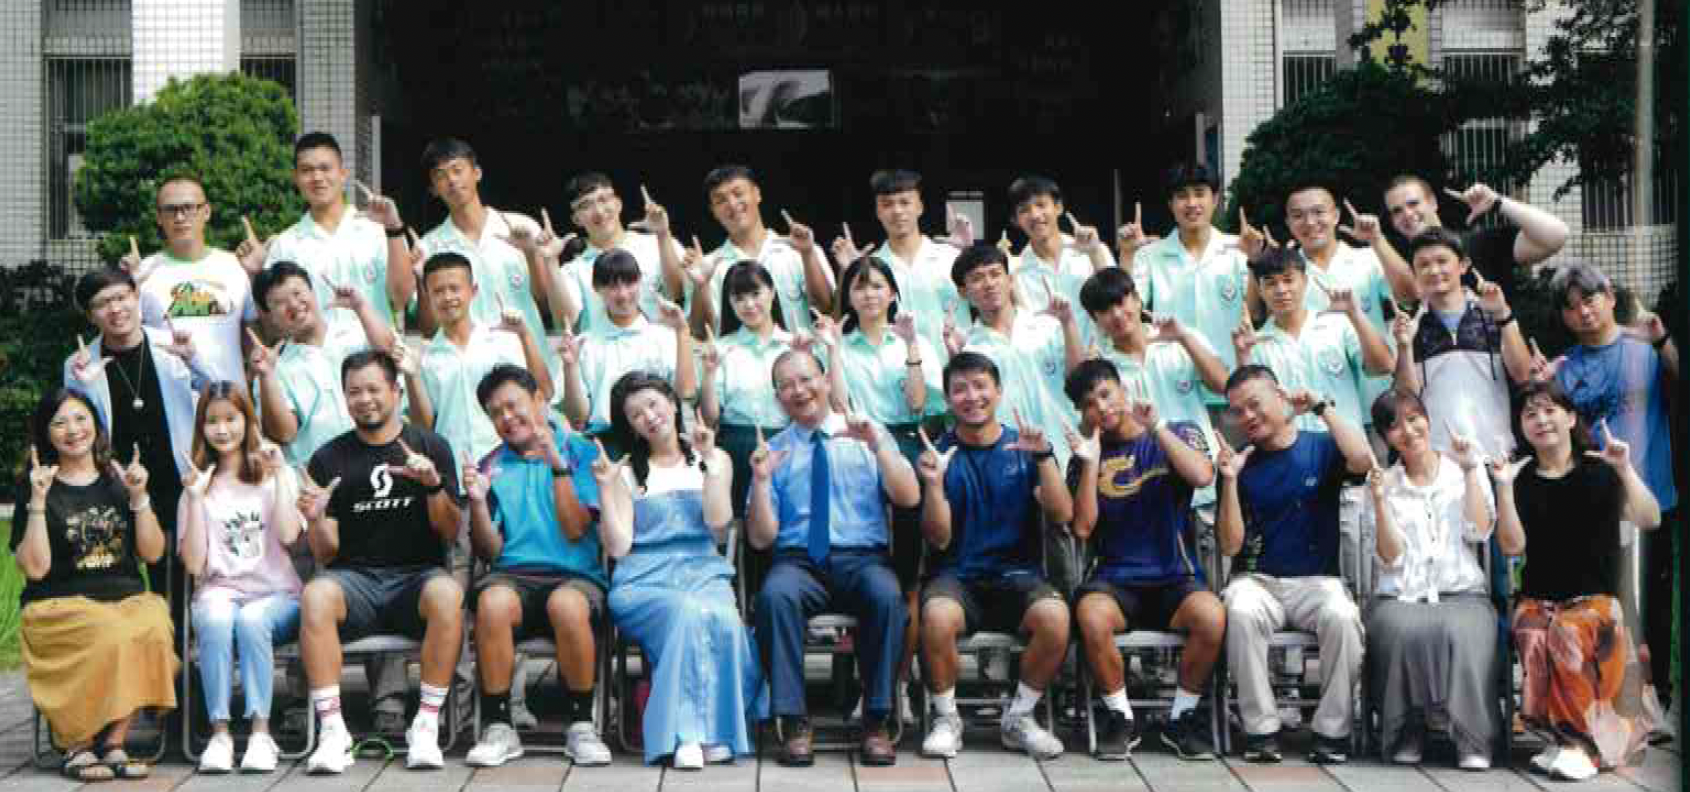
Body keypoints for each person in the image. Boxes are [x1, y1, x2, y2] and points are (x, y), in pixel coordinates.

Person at [296, 350, 465, 774]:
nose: (364, 399)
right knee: (315, 595)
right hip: (356, 581)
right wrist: (315, 519)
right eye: (354, 392)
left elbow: (449, 532)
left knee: (448, 593)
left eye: (373, 389)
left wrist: (432, 485)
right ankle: (333, 731)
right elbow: (325, 553)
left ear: (396, 391)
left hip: (416, 579)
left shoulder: (430, 446)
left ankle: (425, 725)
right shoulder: (329, 458)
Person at [748, 350, 919, 767]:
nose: (799, 390)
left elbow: (908, 497)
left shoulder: (867, 433)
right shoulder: (774, 450)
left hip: (863, 558)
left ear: (826, 380)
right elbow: (760, 538)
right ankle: (794, 720)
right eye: (786, 385)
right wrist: (761, 480)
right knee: (774, 597)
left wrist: (879, 447)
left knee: (887, 597)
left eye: (806, 379)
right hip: (799, 562)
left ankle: (876, 719)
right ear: (777, 397)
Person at [1495, 379, 1660, 780]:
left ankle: (1582, 746)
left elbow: (1650, 518)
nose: (1541, 419)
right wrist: (1504, 490)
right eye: (1530, 414)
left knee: (1567, 630)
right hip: (1541, 597)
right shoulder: (1521, 478)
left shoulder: (1600, 471)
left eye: (1549, 410)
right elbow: (1512, 547)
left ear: (1570, 418)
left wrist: (1624, 468)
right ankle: (1563, 736)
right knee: (1531, 628)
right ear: (1521, 427)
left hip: (1599, 599)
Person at [602, 371, 767, 769]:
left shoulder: (716, 458)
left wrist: (709, 463)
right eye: (636, 414)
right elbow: (619, 547)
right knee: (685, 613)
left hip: (703, 570)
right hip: (642, 579)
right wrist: (606, 490)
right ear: (631, 426)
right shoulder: (624, 472)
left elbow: (718, 523)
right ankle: (685, 735)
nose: (649, 417)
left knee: (724, 620)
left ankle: (713, 734)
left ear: (673, 404)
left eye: (654, 404)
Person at [1063, 358, 1224, 761]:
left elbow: (1203, 476)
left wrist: (1157, 428)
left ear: (1124, 389)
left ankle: (1181, 718)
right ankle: (1120, 717)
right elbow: (1082, 527)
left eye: (1106, 394)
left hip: (1175, 577)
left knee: (1211, 617)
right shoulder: (1083, 457)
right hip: (1115, 581)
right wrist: (1090, 461)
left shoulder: (1177, 432)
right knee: (1091, 616)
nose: (1101, 407)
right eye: (1089, 404)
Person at [13, 388, 177, 782]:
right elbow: (35, 567)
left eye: (80, 418)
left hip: (125, 599)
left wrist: (139, 497)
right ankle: (78, 744)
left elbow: (153, 553)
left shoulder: (119, 480)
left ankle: (115, 743)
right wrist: (38, 501)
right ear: (46, 433)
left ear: (96, 426)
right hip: (58, 605)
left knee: (155, 623)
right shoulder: (35, 486)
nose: (73, 430)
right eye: (60, 422)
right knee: (111, 631)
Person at [917, 352, 1074, 760]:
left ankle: (1019, 717)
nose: (972, 396)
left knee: (1056, 617)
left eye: (980, 386)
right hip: (957, 577)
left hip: (1018, 575)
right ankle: (946, 719)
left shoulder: (1025, 446)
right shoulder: (939, 454)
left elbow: (1062, 514)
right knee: (935, 616)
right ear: (948, 399)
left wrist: (1044, 457)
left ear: (999, 391)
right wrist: (933, 484)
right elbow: (938, 538)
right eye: (960, 389)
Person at [1215, 365, 1373, 765]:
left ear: (1280, 397)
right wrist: (1229, 481)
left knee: (1343, 617)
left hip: (1317, 581)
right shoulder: (1240, 463)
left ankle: (1332, 732)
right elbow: (1230, 544)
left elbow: (1363, 459)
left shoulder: (1321, 447)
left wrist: (1321, 407)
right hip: (1258, 580)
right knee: (1240, 610)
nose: (1248, 417)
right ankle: (1260, 730)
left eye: (1255, 404)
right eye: (1238, 411)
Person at [462, 365, 611, 768]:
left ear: (540, 400)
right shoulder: (491, 463)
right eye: (496, 413)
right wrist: (477, 502)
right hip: (513, 576)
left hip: (576, 577)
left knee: (567, 605)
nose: (507, 418)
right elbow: (491, 551)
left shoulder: (582, 452)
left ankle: (582, 725)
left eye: (513, 405)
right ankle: (498, 726)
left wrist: (557, 464)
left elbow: (576, 529)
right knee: (491, 602)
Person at [1547, 261, 1679, 712]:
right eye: (1572, 307)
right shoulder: (1565, 369)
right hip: (1599, 505)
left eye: (1590, 299)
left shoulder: (1646, 348)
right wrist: (1544, 387)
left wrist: (1662, 340)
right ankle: (1612, 698)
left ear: (1609, 297)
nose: (1583, 312)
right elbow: (1564, 434)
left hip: (1654, 495)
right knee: (1612, 601)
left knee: (1656, 603)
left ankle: (1658, 699)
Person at [823, 255, 943, 725]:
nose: (869, 294)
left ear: (892, 293)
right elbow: (838, 404)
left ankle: (898, 681)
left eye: (877, 285)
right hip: (854, 453)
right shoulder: (840, 344)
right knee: (868, 571)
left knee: (907, 578)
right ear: (848, 296)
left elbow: (917, 403)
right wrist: (833, 349)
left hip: (903, 452)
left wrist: (911, 344)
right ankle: (868, 683)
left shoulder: (915, 341)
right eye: (859, 286)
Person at [1234, 245, 1394, 587]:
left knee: (1358, 568)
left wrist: (1355, 314)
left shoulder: (1337, 325)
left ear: (1305, 281)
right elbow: (1247, 401)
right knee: (1302, 573)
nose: (1281, 290)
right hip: (1290, 471)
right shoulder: (1257, 342)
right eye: (1270, 283)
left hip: (1344, 461)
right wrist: (1243, 357)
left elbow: (1383, 365)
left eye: (1288, 280)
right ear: (1259, 289)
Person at [1359, 389, 1501, 771]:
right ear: (1386, 437)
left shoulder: (1463, 469)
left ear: (1427, 418)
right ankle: (1409, 730)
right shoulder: (1384, 483)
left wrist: (1471, 471)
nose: (1408, 431)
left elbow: (1479, 531)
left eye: (1414, 418)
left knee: (1461, 631)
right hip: (1401, 595)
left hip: (1461, 592)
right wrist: (1379, 501)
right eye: (1395, 426)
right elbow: (1391, 558)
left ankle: (1471, 736)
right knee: (1402, 630)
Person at [66, 266, 209, 642]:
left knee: (175, 581)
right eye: (102, 303)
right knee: (122, 578)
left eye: (121, 297)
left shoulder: (171, 344)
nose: (115, 309)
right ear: (90, 315)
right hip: (115, 485)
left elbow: (220, 394)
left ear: (136, 297)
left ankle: (177, 666)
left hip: (173, 476)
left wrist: (193, 358)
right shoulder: (78, 363)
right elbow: (76, 428)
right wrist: (86, 385)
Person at [176, 383, 303, 773]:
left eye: (231, 418)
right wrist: (195, 499)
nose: (222, 429)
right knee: (215, 619)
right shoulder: (196, 484)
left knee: (251, 620)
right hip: (219, 591)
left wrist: (279, 476)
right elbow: (194, 565)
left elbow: (289, 535)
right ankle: (220, 734)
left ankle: (261, 733)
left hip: (276, 594)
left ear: (248, 421)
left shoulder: (275, 473)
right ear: (201, 428)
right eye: (212, 421)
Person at [246, 132, 413, 359]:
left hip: (375, 363)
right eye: (307, 170)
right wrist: (254, 275)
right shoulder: (286, 244)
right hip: (313, 366)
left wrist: (393, 228)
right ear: (296, 178)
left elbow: (401, 298)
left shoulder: (378, 230)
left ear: (343, 174)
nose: (317, 177)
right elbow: (273, 328)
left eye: (325, 168)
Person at [1077, 267, 1229, 511]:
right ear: (1094, 319)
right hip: (1148, 493)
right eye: (1104, 310)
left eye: (1120, 302)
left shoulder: (1181, 338)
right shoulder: (1102, 369)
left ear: (1138, 300)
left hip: (1203, 483)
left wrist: (1183, 338)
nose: (1116, 314)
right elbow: (1089, 431)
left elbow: (1223, 386)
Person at [1273, 184, 1415, 423]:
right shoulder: (1285, 278)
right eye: (1298, 216)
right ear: (1288, 224)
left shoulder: (1368, 259)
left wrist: (1377, 240)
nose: (1310, 222)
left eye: (1318, 212)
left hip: (1379, 402)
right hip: (1319, 412)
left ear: (1336, 215)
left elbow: (1410, 295)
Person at [1391, 228, 1532, 461]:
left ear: (1463, 265)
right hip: (1440, 462)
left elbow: (1524, 375)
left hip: (1497, 456)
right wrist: (1404, 347)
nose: (1434, 270)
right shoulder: (1409, 326)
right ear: (1414, 273)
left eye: (1442, 261)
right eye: (1424, 265)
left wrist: (1503, 315)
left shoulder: (1493, 312)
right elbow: (1406, 398)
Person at [399, 251, 554, 463]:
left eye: (454, 288)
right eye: (438, 291)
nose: (447, 297)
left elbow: (544, 392)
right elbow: (422, 427)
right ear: (427, 296)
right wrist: (412, 375)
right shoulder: (424, 359)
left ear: (473, 291)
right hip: (454, 465)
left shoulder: (502, 340)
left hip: (508, 464)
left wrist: (525, 335)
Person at [412, 139, 551, 371]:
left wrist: (531, 253)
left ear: (477, 173)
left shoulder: (521, 227)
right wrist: (419, 278)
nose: (452, 180)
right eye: (440, 175)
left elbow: (545, 303)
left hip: (528, 363)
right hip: (472, 372)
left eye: (457, 170)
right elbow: (429, 329)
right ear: (433, 189)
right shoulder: (428, 247)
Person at [1125, 162, 1250, 406]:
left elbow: (1254, 309)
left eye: (1200, 194)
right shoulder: (1150, 255)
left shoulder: (1239, 250)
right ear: (1170, 204)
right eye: (1182, 196)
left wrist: (1256, 260)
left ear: (1215, 199)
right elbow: (1128, 306)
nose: (1192, 203)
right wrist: (1128, 254)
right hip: (1171, 388)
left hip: (1232, 387)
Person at [250, 261, 397, 465]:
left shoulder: (356, 331)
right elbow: (284, 433)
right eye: (280, 302)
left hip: (382, 460)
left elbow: (391, 355)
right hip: (319, 475)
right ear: (270, 316)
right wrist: (266, 375)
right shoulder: (272, 368)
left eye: (297, 293)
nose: (293, 305)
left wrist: (360, 306)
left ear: (313, 292)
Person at [951, 242, 1082, 465]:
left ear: (1010, 280)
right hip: (1012, 461)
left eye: (995, 274)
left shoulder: (1048, 326)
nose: (989, 284)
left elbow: (1079, 380)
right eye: (977, 278)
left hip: (1067, 449)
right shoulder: (970, 350)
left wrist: (1069, 323)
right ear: (963, 292)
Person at [126, 173, 258, 385]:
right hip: (168, 397)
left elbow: (256, 339)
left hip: (229, 400)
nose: (180, 217)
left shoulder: (236, 266)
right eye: (171, 209)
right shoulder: (143, 273)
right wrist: (132, 288)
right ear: (159, 217)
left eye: (189, 207)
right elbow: (127, 340)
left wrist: (257, 274)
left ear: (206, 212)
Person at [829, 169, 969, 365]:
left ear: (920, 206)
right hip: (900, 374)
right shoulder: (873, 268)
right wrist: (849, 271)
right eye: (887, 204)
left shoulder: (951, 257)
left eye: (905, 202)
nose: (897, 211)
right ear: (878, 212)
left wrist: (969, 254)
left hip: (958, 369)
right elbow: (842, 321)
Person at [559, 248, 695, 448]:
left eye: (629, 283)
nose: (623, 295)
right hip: (607, 442)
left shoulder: (664, 337)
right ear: (596, 288)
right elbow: (578, 418)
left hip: (662, 436)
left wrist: (682, 331)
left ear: (640, 281)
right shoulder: (584, 345)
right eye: (612, 286)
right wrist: (569, 366)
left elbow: (686, 392)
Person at [687, 164, 835, 338]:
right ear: (713, 211)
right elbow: (700, 333)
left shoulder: (800, 250)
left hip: (801, 354)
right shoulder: (707, 267)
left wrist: (807, 254)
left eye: (738, 193)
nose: (732, 204)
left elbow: (826, 307)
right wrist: (701, 286)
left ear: (757, 194)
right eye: (721, 200)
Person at [1382, 176, 1569, 301]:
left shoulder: (1480, 244)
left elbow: (1557, 235)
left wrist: (1497, 203)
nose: (1407, 214)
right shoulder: (1392, 265)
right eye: (1397, 211)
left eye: (1413, 203)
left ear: (1433, 202)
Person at [547, 172, 688, 333]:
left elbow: (678, 293)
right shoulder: (573, 271)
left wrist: (663, 234)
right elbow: (564, 323)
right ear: (576, 219)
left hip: (662, 346)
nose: (599, 211)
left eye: (603, 199)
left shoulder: (658, 244)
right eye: (585, 205)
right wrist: (550, 261)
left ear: (618, 204)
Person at [1006, 175, 1115, 352]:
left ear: (1058, 207)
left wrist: (1094, 254)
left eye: (1041, 205)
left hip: (1099, 359)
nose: (1035, 215)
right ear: (1015, 220)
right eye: (1024, 210)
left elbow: (1116, 299)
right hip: (1044, 364)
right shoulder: (1014, 270)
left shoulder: (1095, 250)